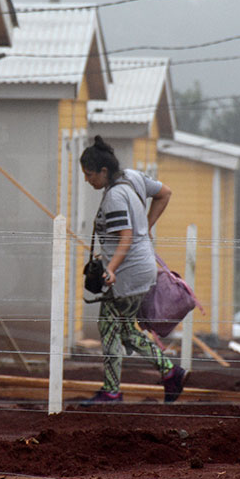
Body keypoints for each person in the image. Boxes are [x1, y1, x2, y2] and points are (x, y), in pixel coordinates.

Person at [78, 135, 185, 404]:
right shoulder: (133, 177)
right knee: (123, 330)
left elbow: (125, 237)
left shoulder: (114, 196)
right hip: (140, 266)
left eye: (89, 175)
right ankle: (169, 373)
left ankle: (114, 390)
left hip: (127, 274)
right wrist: (145, 228)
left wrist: (111, 268)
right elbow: (165, 193)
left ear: (103, 171)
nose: (87, 180)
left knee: (110, 326)